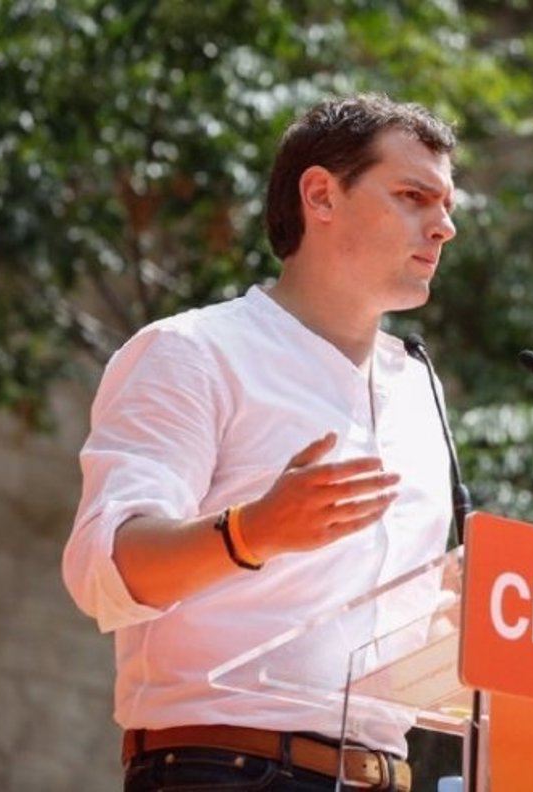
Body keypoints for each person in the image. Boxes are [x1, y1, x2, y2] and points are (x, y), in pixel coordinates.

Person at [63, 93, 459, 791]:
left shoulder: (420, 388)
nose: (445, 226)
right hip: (228, 768)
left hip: (388, 773)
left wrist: (469, 610)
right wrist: (252, 532)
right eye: (412, 197)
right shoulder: (194, 351)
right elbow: (105, 571)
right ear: (321, 195)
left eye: (447, 205)